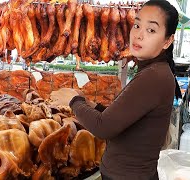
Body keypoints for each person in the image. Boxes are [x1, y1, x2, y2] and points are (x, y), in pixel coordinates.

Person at [53, 0, 182, 179]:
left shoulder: (153, 76)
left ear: (168, 41)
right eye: (137, 25)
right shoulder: (154, 72)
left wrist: (74, 101)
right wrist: (91, 105)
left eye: (151, 30)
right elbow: (121, 120)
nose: (138, 35)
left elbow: (103, 127)